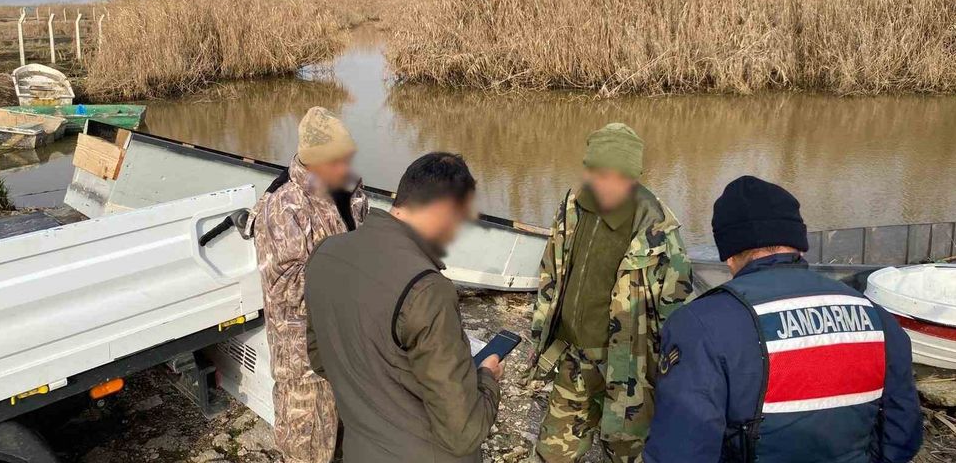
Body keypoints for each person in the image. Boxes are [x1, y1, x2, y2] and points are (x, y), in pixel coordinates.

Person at [644, 175, 924, 463]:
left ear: (728, 256)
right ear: (798, 244)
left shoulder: (700, 325)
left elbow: (682, 450)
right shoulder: (875, 315)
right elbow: (902, 433)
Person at [305, 152, 503, 463]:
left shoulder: (326, 254)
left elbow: (320, 359)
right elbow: (464, 432)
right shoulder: (428, 288)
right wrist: (487, 378)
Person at [528, 123, 693, 463]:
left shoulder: (657, 229)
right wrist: (540, 329)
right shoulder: (574, 206)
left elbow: (678, 310)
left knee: (626, 451)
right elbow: (551, 272)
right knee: (551, 451)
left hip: (628, 367)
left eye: (616, 176)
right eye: (597, 173)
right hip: (573, 354)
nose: (605, 184)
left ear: (633, 176)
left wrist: (674, 378)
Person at [247, 106, 368, 463]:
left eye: (348, 158)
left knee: (350, 441)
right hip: (303, 362)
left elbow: (367, 238)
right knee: (308, 449)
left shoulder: (352, 190)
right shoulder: (283, 205)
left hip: (350, 346)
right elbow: (287, 289)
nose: (347, 168)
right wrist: (356, 270)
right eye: (338, 161)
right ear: (316, 161)